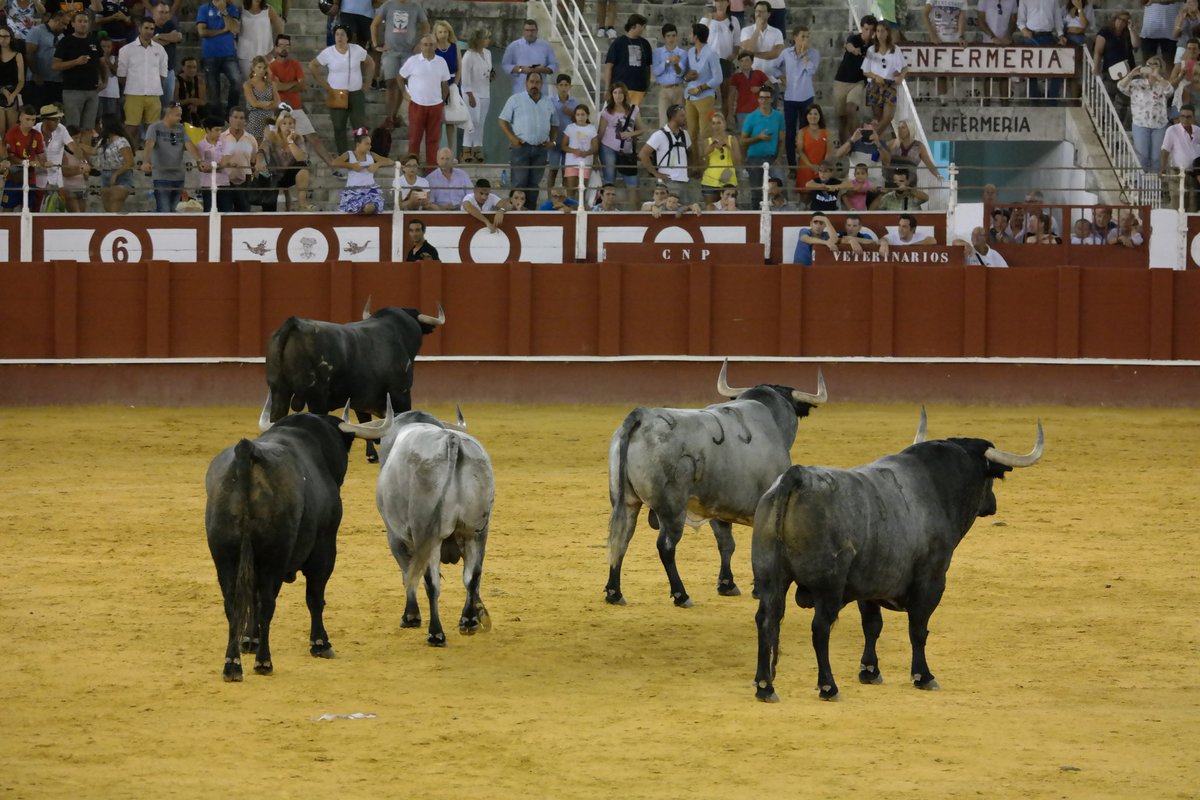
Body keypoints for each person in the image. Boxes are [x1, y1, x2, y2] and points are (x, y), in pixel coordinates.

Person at [310, 24, 373, 158]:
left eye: (342, 34)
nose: (339, 37)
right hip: (336, 94)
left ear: (347, 37)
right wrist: (326, 86)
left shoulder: (356, 50)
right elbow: (313, 65)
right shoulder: (329, 52)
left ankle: (361, 155)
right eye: (337, 34)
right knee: (339, 127)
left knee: (360, 128)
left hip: (356, 93)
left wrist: (367, 84)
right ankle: (344, 157)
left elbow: (370, 63)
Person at [497, 71, 556, 207]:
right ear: (526, 83)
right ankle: (516, 214)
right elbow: (502, 120)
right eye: (532, 82)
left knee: (534, 185)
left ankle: (530, 214)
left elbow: (555, 124)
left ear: (541, 84)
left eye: (537, 82)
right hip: (521, 148)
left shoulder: (548, 102)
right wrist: (512, 138)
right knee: (519, 184)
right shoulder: (515, 99)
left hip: (541, 149)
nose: (534, 85)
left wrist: (552, 141)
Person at [371, 0, 427, 130]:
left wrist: (420, 43)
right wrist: (375, 45)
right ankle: (389, 117)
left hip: (408, 52)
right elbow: (374, 25)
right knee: (391, 83)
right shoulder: (388, 5)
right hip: (390, 52)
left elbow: (426, 26)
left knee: (401, 83)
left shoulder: (415, 7)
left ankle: (394, 116)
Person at [398, 33, 449, 167]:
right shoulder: (413, 61)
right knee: (415, 138)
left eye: (431, 44)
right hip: (417, 104)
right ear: (421, 46)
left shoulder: (441, 62)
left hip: (435, 106)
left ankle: (431, 169)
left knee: (433, 140)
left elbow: (445, 83)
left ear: (436, 46)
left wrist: (442, 100)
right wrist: (404, 92)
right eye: (425, 44)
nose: (428, 47)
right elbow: (400, 77)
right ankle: (412, 167)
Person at [141, 102, 200, 212]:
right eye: (178, 115)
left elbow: (189, 145)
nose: (180, 118)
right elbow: (149, 145)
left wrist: (200, 161)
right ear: (169, 114)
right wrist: (146, 161)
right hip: (161, 177)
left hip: (179, 177)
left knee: (174, 211)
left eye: (180, 114)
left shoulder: (181, 128)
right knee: (164, 210)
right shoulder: (154, 127)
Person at [117, 18, 167, 143]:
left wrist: (154, 87)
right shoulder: (126, 50)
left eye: (152, 29)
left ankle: (150, 159)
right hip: (134, 94)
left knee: (153, 129)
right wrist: (134, 86)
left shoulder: (160, 50)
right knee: (131, 127)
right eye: (146, 28)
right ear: (139, 28)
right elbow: (122, 75)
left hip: (154, 94)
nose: (149, 31)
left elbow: (162, 74)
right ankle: (128, 157)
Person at [1119, 58, 1173, 172]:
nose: (1152, 67)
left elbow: (1170, 90)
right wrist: (1131, 74)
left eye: (1156, 65)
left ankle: (1154, 187)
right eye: (1149, 64)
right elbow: (1121, 87)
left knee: (1156, 158)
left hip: (1159, 125)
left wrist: (1158, 77)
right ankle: (1141, 185)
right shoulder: (1136, 83)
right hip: (1140, 124)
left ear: (1160, 68)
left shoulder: (1162, 84)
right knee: (1142, 157)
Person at [51, 11, 100, 134]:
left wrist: (104, 80)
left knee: (88, 128)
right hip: (72, 90)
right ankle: (73, 152)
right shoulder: (65, 42)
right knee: (73, 128)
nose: (83, 24)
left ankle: (85, 153)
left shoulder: (94, 41)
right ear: (73, 24)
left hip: (92, 90)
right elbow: (55, 65)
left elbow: (102, 62)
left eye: (85, 21)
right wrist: (76, 62)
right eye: (80, 21)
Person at [596, 81, 643, 207]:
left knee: (633, 182)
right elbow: (600, 132)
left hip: (626, 150)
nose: (618, 95)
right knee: (609, 179)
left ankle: (635, 214)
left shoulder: (634, 109)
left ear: (625, 94)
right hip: (608, 147)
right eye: (615, 93)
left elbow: (641, 129)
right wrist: (595, 152)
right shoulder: (607, 111)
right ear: (611, 95)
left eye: (621, 92)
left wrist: (630, 134)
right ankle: (607, 209)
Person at [832, 15, 875, 144]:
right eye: (866, 29)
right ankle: (844, 146)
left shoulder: (873, 46)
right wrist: (854, 50)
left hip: (858, 82)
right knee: (841, 117)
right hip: (841, 80)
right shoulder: (854, 38)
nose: (869, 33)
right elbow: (849, 45)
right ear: (862, 28)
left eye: (871, 30)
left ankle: (857, 144)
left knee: (851, 109)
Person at [781, 26, 819, 172]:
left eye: (807, 37)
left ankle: (805, 166)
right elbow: (774, 67)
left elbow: (811, 71)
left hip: (806, 97)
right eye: (803, 36)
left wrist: (804, 57)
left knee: (805, 132)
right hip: (790, 97)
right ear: (795, 37)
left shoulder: (814, 53)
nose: (805, 40)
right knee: (790, 133)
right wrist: (779, 77)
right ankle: (792, 167)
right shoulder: (786, 53)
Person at [195, 0, 241, 116]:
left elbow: (235, 29)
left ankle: (231, 113)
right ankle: (217, 120)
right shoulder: (204, 8)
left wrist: (224, 11)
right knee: (213, 92)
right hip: (210, 55)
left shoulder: (231, 8)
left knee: (237, 82)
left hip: (228, 55)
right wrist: (224, 30)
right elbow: (202, 32)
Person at [639, 102, 692, 203]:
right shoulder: (659, 135)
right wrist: (655, 173)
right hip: (667, 181)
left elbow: (690, 151)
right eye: (682, 115)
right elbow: (643, 154)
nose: (685, 118)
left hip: (684, 179)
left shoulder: (685, 134)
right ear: (673, 117)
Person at [683, 23, 721, 163]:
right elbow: (686, 74)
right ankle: (695, 165)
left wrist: (700, 88)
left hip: (705, 96)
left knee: (705, 132)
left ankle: (708, 164)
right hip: (690, 97)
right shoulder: (690, 52)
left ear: (696, 37)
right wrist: (687, 77)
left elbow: (718, 78)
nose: (689, 35)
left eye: (691, 33)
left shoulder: (711, 53)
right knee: (691, 133)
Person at [332, 127, 392, 214]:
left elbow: (390, 161)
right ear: (358, 144)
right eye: (367, 144)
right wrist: (351, 165)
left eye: (370, 144)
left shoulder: (371, 155)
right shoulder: (349, 154)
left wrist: (377, 164)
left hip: (370, 192)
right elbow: (334, 162)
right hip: (354, 191)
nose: (370, 146)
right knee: (362, 209)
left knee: (370, 207)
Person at [740, 85, 783, 202]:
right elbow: (742, 141)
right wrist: (758, 137)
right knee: (756, 192)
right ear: (758, 99)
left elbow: (781, 139)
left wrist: (778, 157)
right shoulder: (751, 117)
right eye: (762, 97)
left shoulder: (778, 116)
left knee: (779, 188)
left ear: (771, 99)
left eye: (767, 98)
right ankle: (755, 216)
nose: (764, 100)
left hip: (772, 158)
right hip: (754, 158)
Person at [1094, 10, 1136, 128]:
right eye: (1120, 19)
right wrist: (1096, 69)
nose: (1122, 23)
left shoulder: (1127, 33)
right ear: (1115, 19)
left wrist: (1131, 29)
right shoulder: (1105, 32)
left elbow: (1136, 44)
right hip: (1110, 71)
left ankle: (1116, 126)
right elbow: (1098, 52)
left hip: (1127, 73)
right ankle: (1106, 125)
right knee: (1108, 99)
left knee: (1123, 102)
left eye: (1125, 21)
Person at [261, 109, 310, 210]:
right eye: (284, 123)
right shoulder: (272, 136)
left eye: (290, 123)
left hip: (289, 174)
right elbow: (262, 149)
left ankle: (302, 202)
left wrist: (290, 141)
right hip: (273, 174)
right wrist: (259, 160)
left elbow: (300, 158)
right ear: (279, 125)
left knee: (303, 167)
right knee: (270, 206)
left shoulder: (298, 138)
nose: (288, 126)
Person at [863, 22, 906, 133]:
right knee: (879, 117)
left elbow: (905, 68)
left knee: (888, 116)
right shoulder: (872, 50)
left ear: (887, 32)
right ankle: (876, 141)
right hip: (875, 85)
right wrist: (876, 76)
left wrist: (901, 77)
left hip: (890, 84)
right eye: (877, 31)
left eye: (882, 31)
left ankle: (873, 138)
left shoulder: (895, 49)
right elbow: (865, 71)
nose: (880, 34)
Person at [1, 105, 45, 211]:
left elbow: (41, 155)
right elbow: (10, 157)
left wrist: (44, 163)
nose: (30, 123)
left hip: (30, 178)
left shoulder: (37, 135)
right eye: (27, 119)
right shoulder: (12, 133)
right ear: (20, 117)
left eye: (33, 120)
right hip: (14, 177)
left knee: (28, 208)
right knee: (8, 208)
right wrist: (26, 162)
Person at [23, 12, 69, 111]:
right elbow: (29, 53)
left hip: (56, 81)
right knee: (37, 111)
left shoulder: (61, 36)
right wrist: (36, 74)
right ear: (56, 20)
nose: (65, 27)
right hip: (38, 80)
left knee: (54, 113)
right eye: (64, 24)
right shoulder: (36, 31)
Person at [217, 105, 259, 212]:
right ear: (229, 119)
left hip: (245, 182)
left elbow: (253, 161)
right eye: (235, 117)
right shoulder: (220, 138)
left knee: (243, 215)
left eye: (241, 118)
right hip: (224, 181)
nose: (238, 121)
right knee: (225, 213)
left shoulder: (251, 139)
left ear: (245, 121)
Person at [603, 13, 652, 106]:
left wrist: (647, 85)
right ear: (634, 26)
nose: (643, 29)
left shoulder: (645, 44)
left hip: (638, 87)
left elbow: (647, 67)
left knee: (633, 115)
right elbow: (609, 66)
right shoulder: (618, 42)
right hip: (621, 88)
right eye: (642, 26)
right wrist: (607, 88)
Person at [701, 0, 739, 115]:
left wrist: (733, 55)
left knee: (726, 95)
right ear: (714, 3)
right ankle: (707, 124)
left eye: (723, 1)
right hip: (709, 61)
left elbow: (737, 42)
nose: (720, 4)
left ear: (728, 3)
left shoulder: (733, 21)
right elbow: (699, 40)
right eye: (718, 1)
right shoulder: (706, 20)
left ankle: (725, 124)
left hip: (725, 61)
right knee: (706, 95)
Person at [460, 27, 492, 164]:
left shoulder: (488, 53)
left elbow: (487, 69)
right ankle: (466, 150)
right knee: (472, 121)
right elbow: (465, 77)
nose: (488, 40)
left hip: (485, 91)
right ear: (478, 39)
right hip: (471, 93)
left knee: (481, 123)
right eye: (486, 38)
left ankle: (478, 149)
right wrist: (469, 95)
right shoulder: (468, 55)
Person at [1159, 103, 1200, 210]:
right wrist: (1163, 167)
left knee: (1193, 206)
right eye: (1182, 116)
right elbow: (1165, 150)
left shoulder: (1198, 130)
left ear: (1193, 117)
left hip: (1195, 174)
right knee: (1177, 205)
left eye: (1188, 117)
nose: (1185, 119)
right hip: (1177, 173)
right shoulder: (1172, 130)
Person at [501, 19, 556, 96]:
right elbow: (505, 65)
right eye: (527, 30)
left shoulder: (546, 46)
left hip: (540, 91)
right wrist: (521, 69)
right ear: (523, 31)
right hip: (520, 90)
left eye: (532, 30)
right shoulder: (513, 46)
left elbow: (554, 65)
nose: (530, 33)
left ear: (537, 31)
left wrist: (541, 69)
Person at [431, 19, 461, 156]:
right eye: (440, 32)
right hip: (437, 85)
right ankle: (436, 151)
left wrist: (454, 85)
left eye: (445, 32)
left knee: (451, 120)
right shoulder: (433, 48)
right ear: (436, 34)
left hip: (453, 83)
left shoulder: (455, 46)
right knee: (437, 119)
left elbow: (459, 68)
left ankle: (451, 151)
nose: (443, 34)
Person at [651, 23, 686, 135]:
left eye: (673, 35)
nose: (671, 38)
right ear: (664, 37)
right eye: (668, 36)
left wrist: (675, 64)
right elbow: (656, 71)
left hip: (678, 88)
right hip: (664, 89)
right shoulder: (657, 52)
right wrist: (667, 62)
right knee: (664, 121)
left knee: (680, 120)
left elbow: (681, 73)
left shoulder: (682, 53)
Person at [739, 1, 784, 85]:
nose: (759, 14)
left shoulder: (777, 32)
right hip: (751, 77)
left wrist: (753, 54)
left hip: (771, 78)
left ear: (768, 14)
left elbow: (775, 54)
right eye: (757, 11)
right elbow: (748, 49)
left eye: (762, 11)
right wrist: (758, 28)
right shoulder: (746, 30)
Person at [700, 110, 740, 205]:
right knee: (710, 212)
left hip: (728, 182)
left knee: (729, 212)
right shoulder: (707, 141)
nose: (716, 126)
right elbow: (703, 163)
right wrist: (708, 151)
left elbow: (738, 162)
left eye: (719, 123)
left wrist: (728, 147)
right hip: (710, 182)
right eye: (713, 123)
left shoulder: (732, 139)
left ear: (724, 124)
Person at [94, 112, 132, 211]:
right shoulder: (103, 140)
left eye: (102, 123)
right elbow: (94, 151)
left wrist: (116, 174)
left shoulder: (121, 141)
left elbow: (130, 162)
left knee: (114, 207)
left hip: (121, 176)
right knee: (108, 210)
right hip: (105, 175)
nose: (100, 126)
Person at [545, 73, 578, 191]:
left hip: (569, 143)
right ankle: (550, 199)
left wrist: (571, 114)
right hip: (555, 141)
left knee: (566, 172)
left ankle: (564, 199)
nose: (563, 88)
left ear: (570, 87)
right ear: (557, 86)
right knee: (553, 170)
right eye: (561, 85)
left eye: (566, 85)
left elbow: (581, 120)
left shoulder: (575, 102)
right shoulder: (550, 101)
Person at [236, 0, 280, 86]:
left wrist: (272, 53)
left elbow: (279, 31)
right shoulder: (241, 9)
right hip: (245, 57)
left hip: (265, 56)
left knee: (268, 88)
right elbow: (235, 29)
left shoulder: (268, 9)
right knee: (250, 89)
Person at [884, 119, 941, 183]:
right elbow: (881, 155)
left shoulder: (919, 146)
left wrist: (939, 176)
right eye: (898, 128)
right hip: (893, 183)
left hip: (910, 184)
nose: (900, 130)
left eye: (903, 128)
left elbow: (929, 164)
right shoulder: (892, 144)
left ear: (910, 129)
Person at [150, 2, 181, 112]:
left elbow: (178, 36)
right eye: (161, 12)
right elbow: (151, 43)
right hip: (152, 72)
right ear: (154, 13)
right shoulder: (149, 25)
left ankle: (164, 128)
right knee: (152, 106)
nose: (164, 15)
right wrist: (168, 38)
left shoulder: (170, 24)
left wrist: (159, 36)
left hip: (168, 71)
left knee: (167, 106)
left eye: (166, 12)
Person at [195, 115, 231, 210]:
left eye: (220, 130)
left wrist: (211, 167)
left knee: (226, 212)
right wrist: (217, 166)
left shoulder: (225, 143)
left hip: (223, 183)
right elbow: (200, 166)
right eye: (216, 130)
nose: (219, 133)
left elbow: (225, 162)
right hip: (207, 185)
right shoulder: (200, 145)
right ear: (207, 130)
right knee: (209, 211)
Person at [560, 103, 596, 195]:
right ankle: (571, 209)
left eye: (583, 114)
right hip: (571, 163)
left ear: (587, 115)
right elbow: (563, 145)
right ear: (575, 116)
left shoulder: (591, 128)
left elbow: (595, 147)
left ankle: (581, 209)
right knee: (570, 191)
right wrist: (574, 151)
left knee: (582, 192)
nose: (580, 117)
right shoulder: (570, 127)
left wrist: (586, 153)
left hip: (586, 163)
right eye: (578, 114)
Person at [728, 51, 768, 133]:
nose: (744, 63)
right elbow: (731, 96)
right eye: (741, 61)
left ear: (752, 62)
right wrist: (730, 113)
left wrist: (760, 88)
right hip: (741, 112)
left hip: (758, 111)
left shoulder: (759, 74)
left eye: (747, 60)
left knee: (759, 136)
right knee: (743, 137)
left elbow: (771, 87)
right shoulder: (736, 77)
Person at [242, 55, 279, 141]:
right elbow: (253, 103)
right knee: (255, 147)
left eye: (264, 68)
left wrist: (263, 104)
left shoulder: (270, 84)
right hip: (255, 120)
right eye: (259, 67)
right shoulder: (248, 84)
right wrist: (269, 103)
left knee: (270, 146)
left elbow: (277, 102)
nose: (262, 70)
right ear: (253, 68)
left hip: (270, 119)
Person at [793, 104, 828, 193]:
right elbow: (800, 151)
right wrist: (811, 166)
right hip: (805, 168)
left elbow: (829, 152)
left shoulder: (826, 132)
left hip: (822, 169)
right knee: (804, 198)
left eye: (815, 114)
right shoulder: (801, 132)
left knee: (820, 197)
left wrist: (822, 168)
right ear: (806, 116)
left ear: (820, 116)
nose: (813, 116)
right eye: (810, 114)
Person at [1141, 0, 1183, 73]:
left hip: (1171, 32)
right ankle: (1146, 83)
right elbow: (1141, 2)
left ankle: (1167, 84)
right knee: (1147, 64)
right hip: (1150, 31)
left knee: (1169, 65)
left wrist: (1153, 1)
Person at [426, 145, 469, 209]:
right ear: (437, 160)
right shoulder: (430, 178)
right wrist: (442, 208)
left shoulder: (462, 174)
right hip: (441, 212)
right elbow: (430, 203)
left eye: (447, 159)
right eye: (442, 158)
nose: (445, 162)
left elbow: (470, 195)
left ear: (452, 161)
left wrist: (462, 206)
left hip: (462, 210)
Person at [0, 26, 25, 136]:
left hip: (12, 93)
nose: (2, 39)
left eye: (5, 36)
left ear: (11, 38)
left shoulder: (17, 55)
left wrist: (13, 95)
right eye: (0, 36)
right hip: (1, 91)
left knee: (11, 132)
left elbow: (21, 80)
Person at [176, 55, 206, 125]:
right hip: (180, 106)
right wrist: (189, 101)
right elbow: (175, 102)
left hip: (194, 107)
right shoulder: (177, 81)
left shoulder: (199, 81)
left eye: (194, 67)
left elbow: (203, 101)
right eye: (189, 67)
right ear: (183, 68)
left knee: (206, 109)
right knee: (180, 109)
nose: (192, 70)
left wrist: (195, 105)